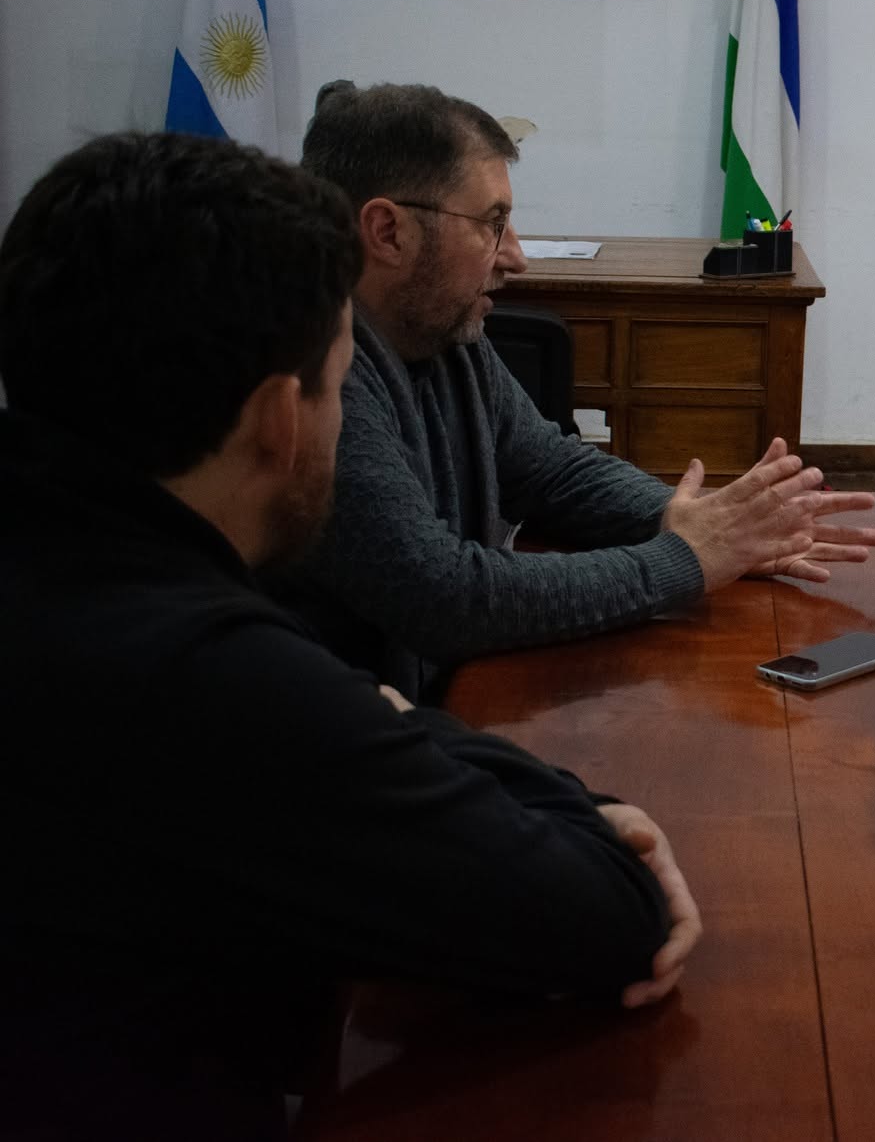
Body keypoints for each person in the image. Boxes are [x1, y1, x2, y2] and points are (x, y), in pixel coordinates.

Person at [0, 132, 702, 1140]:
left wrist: (379, 716)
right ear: (281, 420)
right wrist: (413, 727)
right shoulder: (206, 682)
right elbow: (612, 916)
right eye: (337, 384)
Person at [279, 80, 875, 702]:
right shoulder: (319, 375)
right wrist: (686, 559)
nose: (515, 256)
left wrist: (691, 522)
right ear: (387, 231)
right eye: (493, 223)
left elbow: (552, 469)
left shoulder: (441, 332)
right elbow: (446, 598)